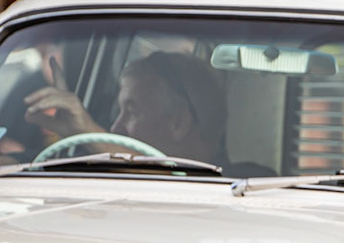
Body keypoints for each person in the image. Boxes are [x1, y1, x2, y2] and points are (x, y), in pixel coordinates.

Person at [23, 51, 228, 163]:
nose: (115, 128)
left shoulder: (236, 188)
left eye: (132, 112)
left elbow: (168, 174)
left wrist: (88, 132)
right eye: (119, 112)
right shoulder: (105, 172)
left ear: (178, 123)